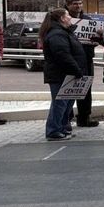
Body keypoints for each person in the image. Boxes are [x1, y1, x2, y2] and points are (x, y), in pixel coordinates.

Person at [40, 8, 87, 141]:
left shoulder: (63, 32)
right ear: (62, 18)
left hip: (66, 74)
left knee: (66, 103)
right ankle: (53, 131)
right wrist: (76, 70)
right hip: (60, 75)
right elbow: (63, 55)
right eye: (67, 15)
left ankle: (61, 128)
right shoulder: (57, 34)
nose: (70, 18)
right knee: (59, 103)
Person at [64, 0, 101, 127]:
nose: (78, 6)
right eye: (75, 3)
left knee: (85, 88)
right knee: (68, 90)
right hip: (70, 60)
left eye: (80, 3)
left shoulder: (88, 20)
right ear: (68, 5)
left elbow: (97, 39)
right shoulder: (63, 20)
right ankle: (66, 119)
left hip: (86, 59)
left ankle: (84, 117)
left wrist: (97, 39)